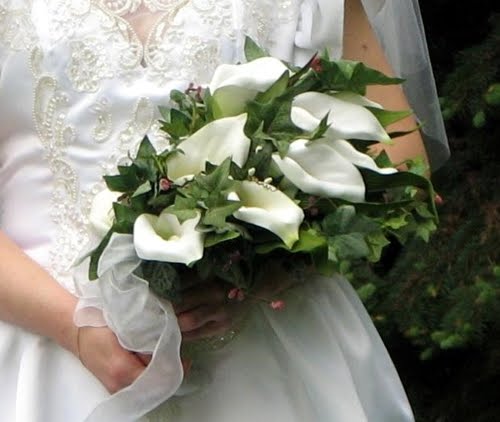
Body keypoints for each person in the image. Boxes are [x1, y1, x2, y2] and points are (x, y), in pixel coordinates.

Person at [0, 0, 448, 421]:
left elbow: (402, 159)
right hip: (40, 349)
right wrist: (74, 329)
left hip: (269, 352)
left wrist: (265, 271)